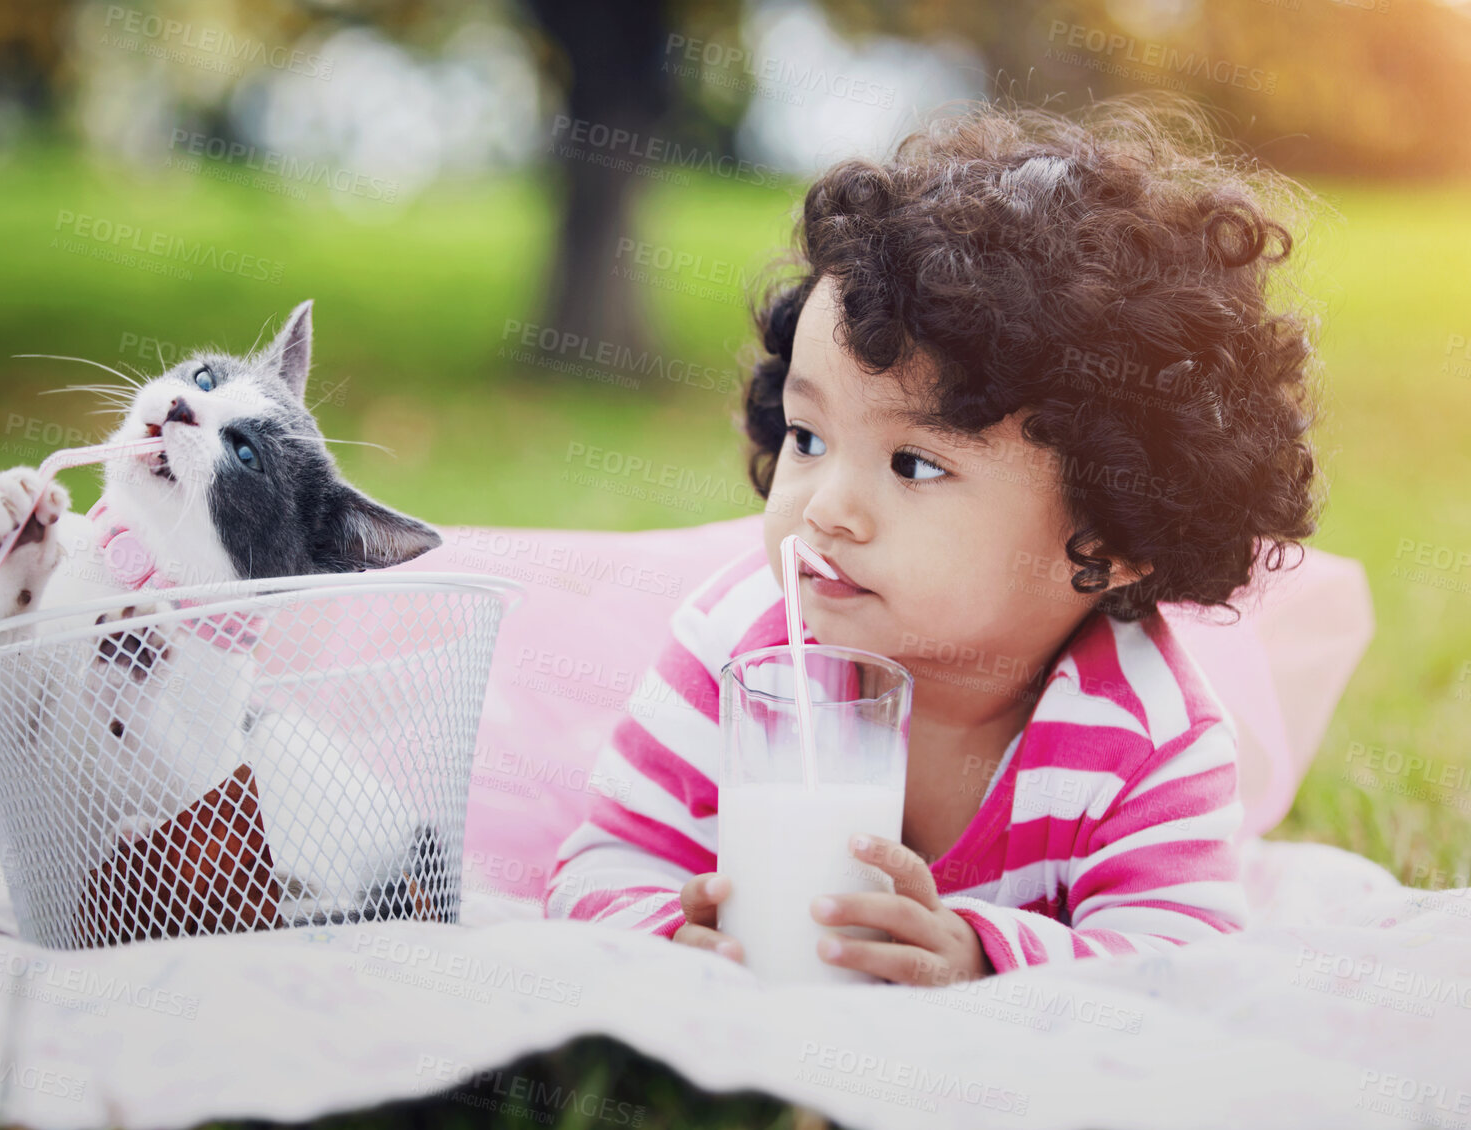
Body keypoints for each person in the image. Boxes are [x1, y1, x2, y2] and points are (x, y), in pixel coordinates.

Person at [542, 95, 1320, 984]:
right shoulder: (735, 654)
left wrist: (981, 958)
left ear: (1111, 536)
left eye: (914, 466)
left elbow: (1178, 964)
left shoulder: (1143, 740)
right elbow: (603, 864)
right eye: (808, 438)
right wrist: (663, 933)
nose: (826, 510)